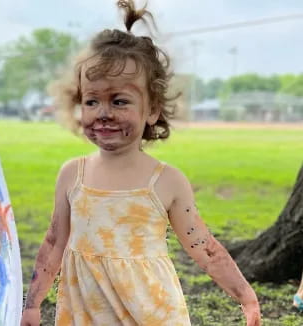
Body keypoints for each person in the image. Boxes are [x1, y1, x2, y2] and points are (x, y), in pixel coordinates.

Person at [19, 1, 262, 325]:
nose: (103, 112)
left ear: (152, 110)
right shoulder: (72, 175)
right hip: (86, 315)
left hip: (152, 314)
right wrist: (33, 304)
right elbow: (53, 242)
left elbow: (205, 248)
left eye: (119, 101)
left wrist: (246, 297)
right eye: (92, 101)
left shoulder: (166, 181)